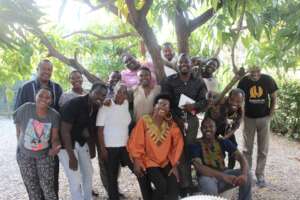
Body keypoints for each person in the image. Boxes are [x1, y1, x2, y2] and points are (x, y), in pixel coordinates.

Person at [14, 59, 62, 197]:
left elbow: (59, 114)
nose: (47, 72)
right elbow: (18, 116)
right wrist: (19, 138)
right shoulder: (26, 87)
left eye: (49, 70)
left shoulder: (57, 88)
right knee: (32, 186)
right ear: (37, 69)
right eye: (44, 69)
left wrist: (56, 143)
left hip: (47, 147)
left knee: (50, 183)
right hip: (26, 147)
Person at [162, 53, 207, 194]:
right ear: (177, 64)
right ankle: (183, 184)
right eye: (181, 62)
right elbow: (165, 101)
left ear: (190, 63)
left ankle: (190, 182)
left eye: (186, 62)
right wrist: (176, 119)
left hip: (192, 120)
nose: (183, 64)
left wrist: (194, 105)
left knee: (189, 149)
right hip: (173, 120)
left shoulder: (198, 81)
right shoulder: (169, 81)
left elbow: (204, 101)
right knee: (177, 151)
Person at [127, 94, 184, 200]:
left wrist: (174, 164)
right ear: (154, 106)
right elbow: (136, 141)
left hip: (165, 161)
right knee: (162, 186)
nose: (163, 107)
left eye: (166, 105)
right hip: (149, 161)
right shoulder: (144, 121)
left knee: (174, 184)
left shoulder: (170, 125)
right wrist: (137, 160)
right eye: (161, 104)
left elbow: (178, 142)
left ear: (169, 110)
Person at [59, 83, 107, 200]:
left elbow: (89, 129)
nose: (100, 97)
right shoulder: (74, 104)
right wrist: (71, 156)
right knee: (74, 178)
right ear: (90, 92)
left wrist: (91, 146)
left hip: (80, 142)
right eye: (97, 94)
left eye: (103, 96)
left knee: (88, 172)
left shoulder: (95, 108)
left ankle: (87, 197)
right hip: (66, 145)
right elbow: (64, 131)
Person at [190, 117, 252, 200]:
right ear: (201, 129)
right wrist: (224, 176)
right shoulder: (196, 145)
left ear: (215, 128)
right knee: (208, 185)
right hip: (207, 178)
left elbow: (241, 157)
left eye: (211, 126)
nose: (208, 129)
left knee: (248, 174)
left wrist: (244, 174)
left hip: (224, 175)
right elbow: (199, 168)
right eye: (205, 127)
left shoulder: (221, 141)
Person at [237, 65, 278, 187]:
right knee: (246, 149)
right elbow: (240, 100)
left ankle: (260, 175)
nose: (255, 74)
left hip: (264, 118)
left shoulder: (268, 80)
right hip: (249, 118)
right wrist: (242, 116)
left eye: (257, 71)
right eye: (252, 72)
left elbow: (274, 98)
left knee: (263, 149)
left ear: (260, 71)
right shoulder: (243, 81)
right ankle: (247, 174)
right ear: (248, 72)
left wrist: (270, 115)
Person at [205, 88, 244, 169]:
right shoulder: (221, 99)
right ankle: (215, 167)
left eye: (238, 101)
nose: (234, 103)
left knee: (233, 146)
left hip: (224, 127)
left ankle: (230, 168)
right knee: (214, 146)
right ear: (228, 98)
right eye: (232, 100)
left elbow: (235, 127)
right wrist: (210, 100)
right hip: (211, 125)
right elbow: (210, 92)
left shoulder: (240, 110)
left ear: (242, 102)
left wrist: (226, 137)